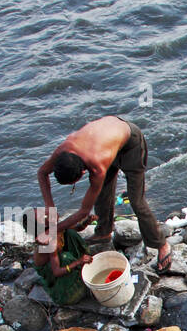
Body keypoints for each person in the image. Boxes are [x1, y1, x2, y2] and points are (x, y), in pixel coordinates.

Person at [36, 115, 171, 272]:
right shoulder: (63, 150)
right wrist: (50, 207)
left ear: (82, 173)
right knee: (102, 194)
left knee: (137, 201)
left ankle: (162, 245)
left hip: (131, 143)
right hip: (107, 141)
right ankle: (103, 232)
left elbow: (84, 211)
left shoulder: (97, 168)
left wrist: (53, 230)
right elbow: (42, 173)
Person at [22, 206, 92, 306]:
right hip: (53, 272)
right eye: (43, 216)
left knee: (70, 233)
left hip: (59, 260)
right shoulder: (48, 242)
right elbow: (56, 272)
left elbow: (76, 228)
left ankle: (85, 264)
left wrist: (86, 221)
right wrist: (78, 262)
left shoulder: (56, 229)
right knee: (65, 258)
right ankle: (74, 289)